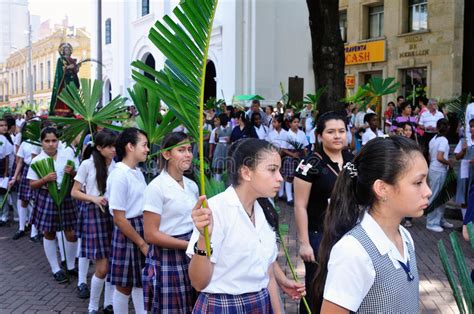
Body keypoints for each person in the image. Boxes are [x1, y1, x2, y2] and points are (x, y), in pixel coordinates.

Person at [312, 136, 431, 313]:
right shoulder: (353, 251)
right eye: (418, 183)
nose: (427, 191)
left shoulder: (405, 237)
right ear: (382, 189)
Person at [187, 138, 305, 313]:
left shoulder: (265, 208)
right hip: (224, 306)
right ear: (246, 173)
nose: (280, 178)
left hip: (260, 302)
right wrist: (205, 238)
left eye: (278, 170)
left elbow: (267, 271)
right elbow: (198, 282)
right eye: (272, 170)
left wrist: (281, 292)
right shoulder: (216, 210)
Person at [293, 112, 353, 313]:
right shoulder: (310, 164)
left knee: (345, 288)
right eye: (331, 132)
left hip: (349, 235)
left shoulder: (353, 161)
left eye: (342, 131)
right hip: (319, 237)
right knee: (316, 289)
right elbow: (300, 205)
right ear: (319, 135)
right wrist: (304, 243)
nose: (337, 136)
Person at [142, 132, 198, 313]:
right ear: (166, 154)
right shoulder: (156, 187)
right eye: (181, 150)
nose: (188, 154)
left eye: (189, 149)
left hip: (191, 254)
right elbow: (151, 234)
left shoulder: (192, 185)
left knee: (192, 305)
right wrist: (188, 244)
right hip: (167, 256)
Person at [71, 130, 117, 314]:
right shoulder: (87, 164)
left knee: (112, 263)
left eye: (115, 146)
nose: (114, 149)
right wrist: (94, 199)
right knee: (102, 266)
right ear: (99, 147)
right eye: (110, 146)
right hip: (94, 214)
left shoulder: (117, 166)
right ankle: (92, 306)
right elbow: (74, 192)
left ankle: (108, 304)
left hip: (113, 214)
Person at [27, 126, 79, 283]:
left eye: (54, 140)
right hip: (47, 196)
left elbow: (78, 176)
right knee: (49, 232)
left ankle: (70, 265)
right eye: (47, 141)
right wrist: (44, 180)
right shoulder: (37, 160)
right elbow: (32, 184)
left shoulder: (67, 154)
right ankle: (55, 268)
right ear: (41, 142)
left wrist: (73, 173)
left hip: (66, 196)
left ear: (58, 141)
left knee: (71, 232)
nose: (51, 144)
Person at [106, 127, 149, 313]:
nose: (147, 149)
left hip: (140, 227)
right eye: (144, 145)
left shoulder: (136, 171)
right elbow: (119, 218)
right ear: (130, 147)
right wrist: (141, 243)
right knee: (124, 286)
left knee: (140, 282)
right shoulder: (119, 175)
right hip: (129, 231)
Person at [9, 124, 41, 240]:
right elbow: (20, 162)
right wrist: (14, 176)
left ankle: (34, 232)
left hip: (39, 171)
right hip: (27, 170)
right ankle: (21, 228)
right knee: (23, 200)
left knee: (35, 201)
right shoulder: (24, 143)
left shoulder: (41, 143)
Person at [426, 119, 455, 232]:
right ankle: (431, 222)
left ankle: (440, 219)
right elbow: (440, 157)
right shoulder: (443, 140)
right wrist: (449, 163)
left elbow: (430, 156)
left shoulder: (433, 139)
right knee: (436, 197)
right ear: (447, 128)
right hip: (438, 170)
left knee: (440, 196)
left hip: (434, 168)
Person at [282, 116, 308, 206]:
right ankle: (289, 198)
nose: (297, 124)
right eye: (294, 122)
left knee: (300, 177)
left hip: (300, 156)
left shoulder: (302, 133)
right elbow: (283, 149)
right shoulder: (286, 134)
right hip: (290, 156)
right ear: (290, 124)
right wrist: (293, 155)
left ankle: (299, 197)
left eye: (298, 122)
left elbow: (305, 146)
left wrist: (305, 157)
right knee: (289, 177)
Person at [50, 43, 81, 116]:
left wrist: (76, 68)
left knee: (72, 94)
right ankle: (63, 111)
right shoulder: (61, 59)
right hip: (64, 81)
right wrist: (68, 67)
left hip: (72, 80)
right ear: (62, 51)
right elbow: (60, 70)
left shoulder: (72, 60)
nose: (67, 51)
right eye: (65, 49)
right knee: (64, 94)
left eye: (68, 49)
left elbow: (75, 71)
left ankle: (71, 110)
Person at [265, 114, 290, 201]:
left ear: (280, 123)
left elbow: (285, 147)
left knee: (282, 175)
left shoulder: (286, 133)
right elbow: (268, 145)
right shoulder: (270, 134)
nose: (273, 124)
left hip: (283, 156)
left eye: (275, 122)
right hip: (272, 157)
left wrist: (280, 155)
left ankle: (281, 193)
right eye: (272, 122)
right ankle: (274, 194)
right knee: (273, 175)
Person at [0, 118, 14, 226]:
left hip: (3, 169)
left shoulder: (7, 139)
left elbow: (7, 157)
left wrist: (6, 172)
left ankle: (4, 216)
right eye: (1, 125)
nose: (4, 127)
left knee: (2, 193)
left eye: (5, 125)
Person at [211, 113, 232, 181]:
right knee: (218, 164)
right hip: (219, 147)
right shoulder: (217, 129)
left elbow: (233, 138)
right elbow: (216, 140)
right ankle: (217, 181)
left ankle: (226, 180)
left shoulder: (231, 127)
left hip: (228, 147)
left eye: (219, 120)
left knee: (227, 164)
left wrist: (230, 139)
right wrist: (216, 135)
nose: (218, 121)